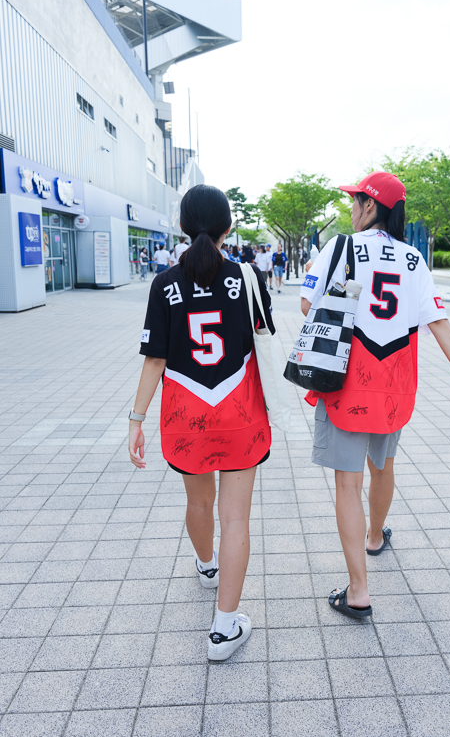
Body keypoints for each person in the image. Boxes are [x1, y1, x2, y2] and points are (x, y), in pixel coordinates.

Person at [300, 171, 450, 619]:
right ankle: (376, 536)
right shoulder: (414, 259)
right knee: (383, 466)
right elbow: (437, 319)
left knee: (348, 482)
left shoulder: (341, 247)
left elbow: (308, 305)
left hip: (347, 380)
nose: (351, 208)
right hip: (394, 383)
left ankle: (359, 590)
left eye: (356, 200)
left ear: (370, 205)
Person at [129, 184, 274, 661]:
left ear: (182, 226)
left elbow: (155, 359)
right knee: (236, 517)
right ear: (228, 226)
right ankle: (224, 627)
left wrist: (136, 420)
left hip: (186, 411)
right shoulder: (248, 277)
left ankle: (207, 565)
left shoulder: (164, 283)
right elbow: (261, 337)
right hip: (239, 410)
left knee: (198, 501)